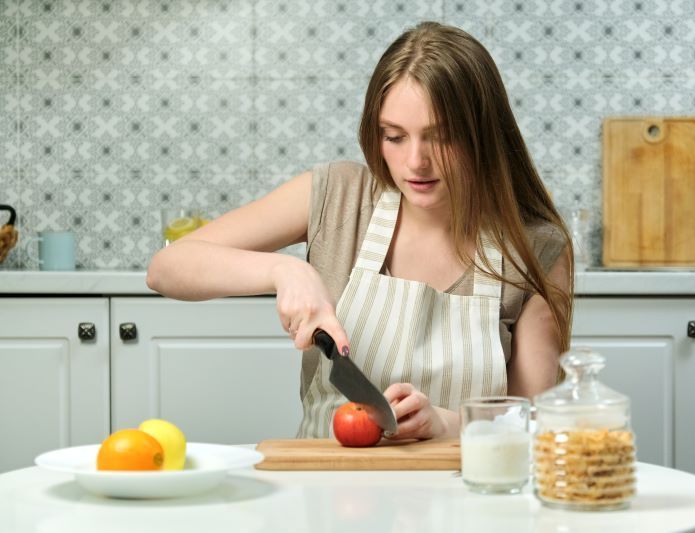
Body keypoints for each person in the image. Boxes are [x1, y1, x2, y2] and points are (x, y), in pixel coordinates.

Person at [146, 21, 574, 441]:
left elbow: (533, 424)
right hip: (324, 494)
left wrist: (448, 425)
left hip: (462, 497)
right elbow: (166, 268)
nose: (415, 162)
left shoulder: (536, 247)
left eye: (440, 138)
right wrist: (286, 272)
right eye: (394, 137)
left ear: (483, 135)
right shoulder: (338, 196)